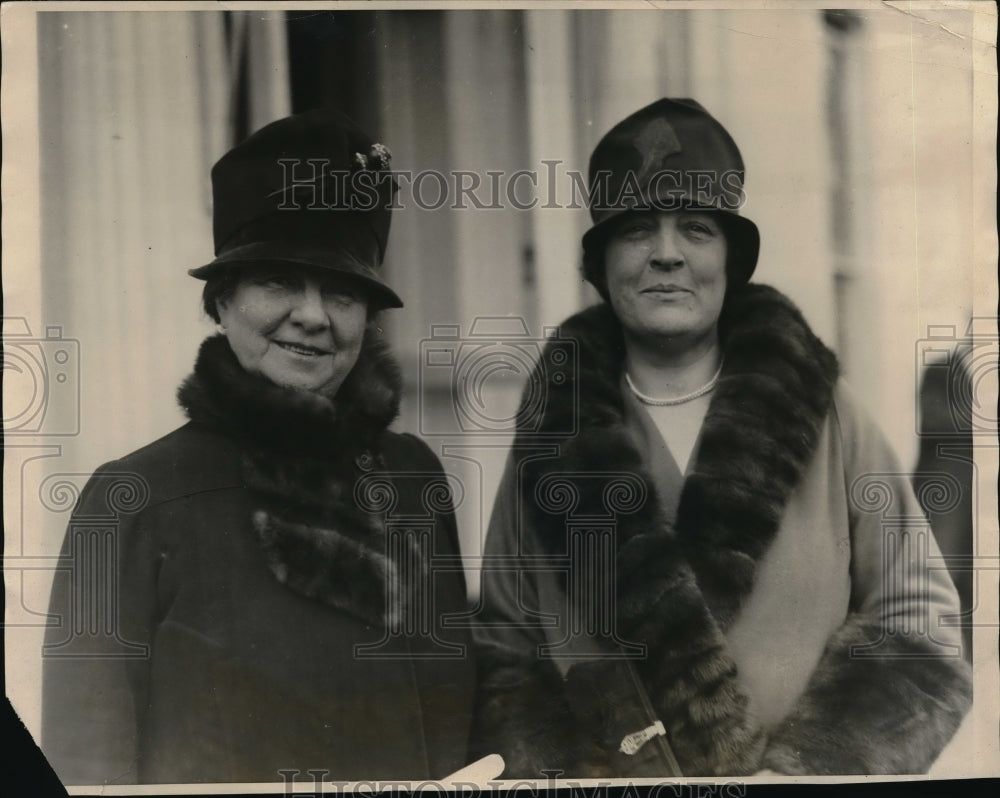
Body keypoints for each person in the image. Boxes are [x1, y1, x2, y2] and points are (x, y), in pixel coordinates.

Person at [471, 98, 972, 777]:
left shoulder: (824, 416)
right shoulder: (553, 436)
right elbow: (505, 648)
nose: (668, 255)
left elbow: (921, 624)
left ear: (730, 258)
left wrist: (806, 773)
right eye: (638, 230)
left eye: (698, 229)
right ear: (602, 259)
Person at [42, 110, 475, 784]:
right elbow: (85, 760)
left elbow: (460, 727)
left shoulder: (414, 480)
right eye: (277, 280)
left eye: (341, 290)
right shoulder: (131, 499)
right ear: (220, 301)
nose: (312, 315)